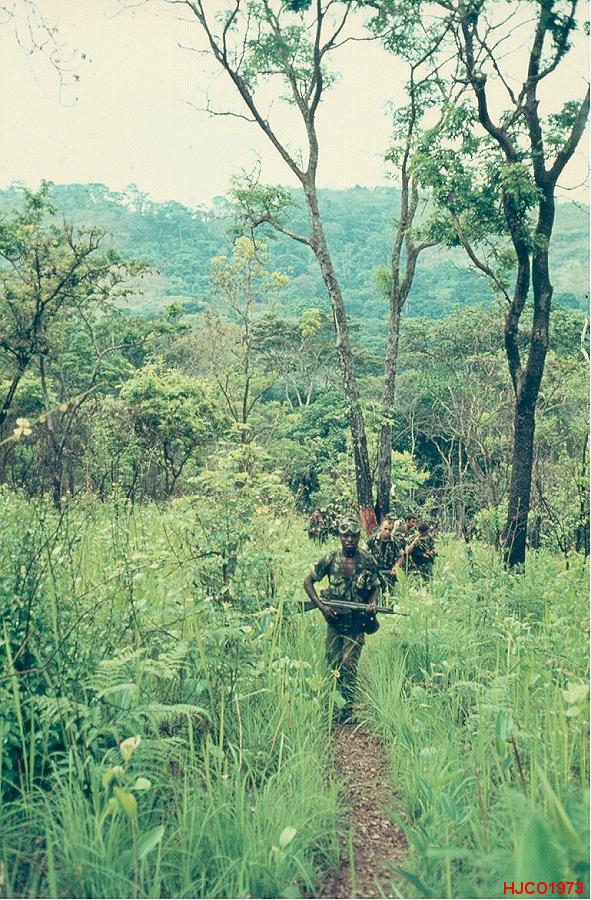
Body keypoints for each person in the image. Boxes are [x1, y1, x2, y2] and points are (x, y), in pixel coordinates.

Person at [303, 518, 380, 723]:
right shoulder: (330, 558)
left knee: (349, 664)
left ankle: (348, 711)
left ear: (358, 537)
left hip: (357, 622)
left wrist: (372, 603)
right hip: (334, 622)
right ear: (340, 537)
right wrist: (322, 607)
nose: (349, 540)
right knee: (333, 662)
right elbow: (308, 582)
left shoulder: (368, 560)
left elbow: (374, 587)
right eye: (345, 536)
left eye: (353, 536)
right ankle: (332, 706)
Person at [366, 517, 401, 594]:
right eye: (385, 529)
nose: (387, 531)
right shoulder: (372, 539)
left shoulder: (394, 541)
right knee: (374, 594)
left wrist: (396, 567)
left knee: (389, 595)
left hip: (389, 572)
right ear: (381, 528)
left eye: (390, 530)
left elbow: (400, 556)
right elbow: (364, 552)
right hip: (375, 572)